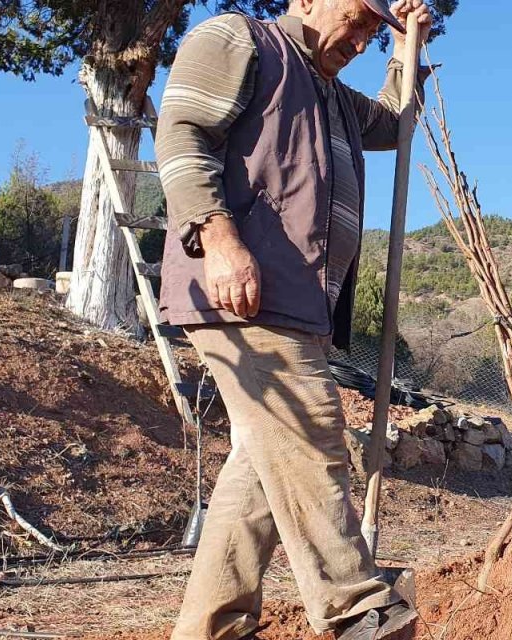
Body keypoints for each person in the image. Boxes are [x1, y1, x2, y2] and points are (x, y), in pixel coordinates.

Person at [154, 0, 432, 638]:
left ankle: (210, 628)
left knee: (257, 477)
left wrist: (406, 46)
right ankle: (359, 610)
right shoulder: (240, 39)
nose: (361, 41)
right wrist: (218, 240)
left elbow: (394, 124)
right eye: (358, 20)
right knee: (310, 433)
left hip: (300, 303)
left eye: (371, 32)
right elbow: (182, 131)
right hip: (244, 291)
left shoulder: (332, 95)